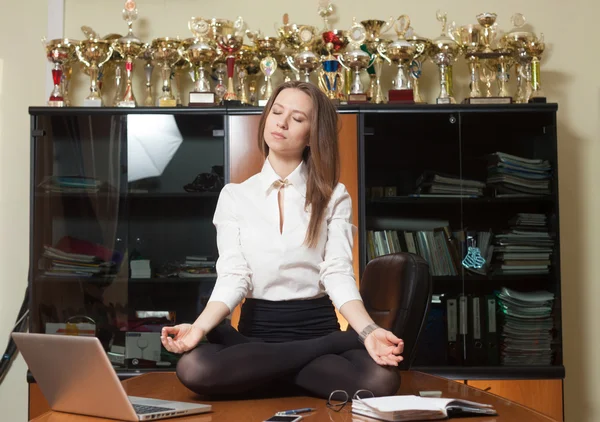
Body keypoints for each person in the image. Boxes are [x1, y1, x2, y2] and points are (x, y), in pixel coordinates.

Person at [161, 80, 403, 399]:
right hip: (259, 331)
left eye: (298, 118)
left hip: (309, 327)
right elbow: (234, 276)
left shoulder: (334, 197)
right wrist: (200, 328)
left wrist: (368, 331)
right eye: (276, 111)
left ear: (312, 135)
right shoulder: (234, 196)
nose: (282, 122)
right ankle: (332, 346)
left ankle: (265, 371)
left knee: (380, 381)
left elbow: (338, 274)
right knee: (194, 368)